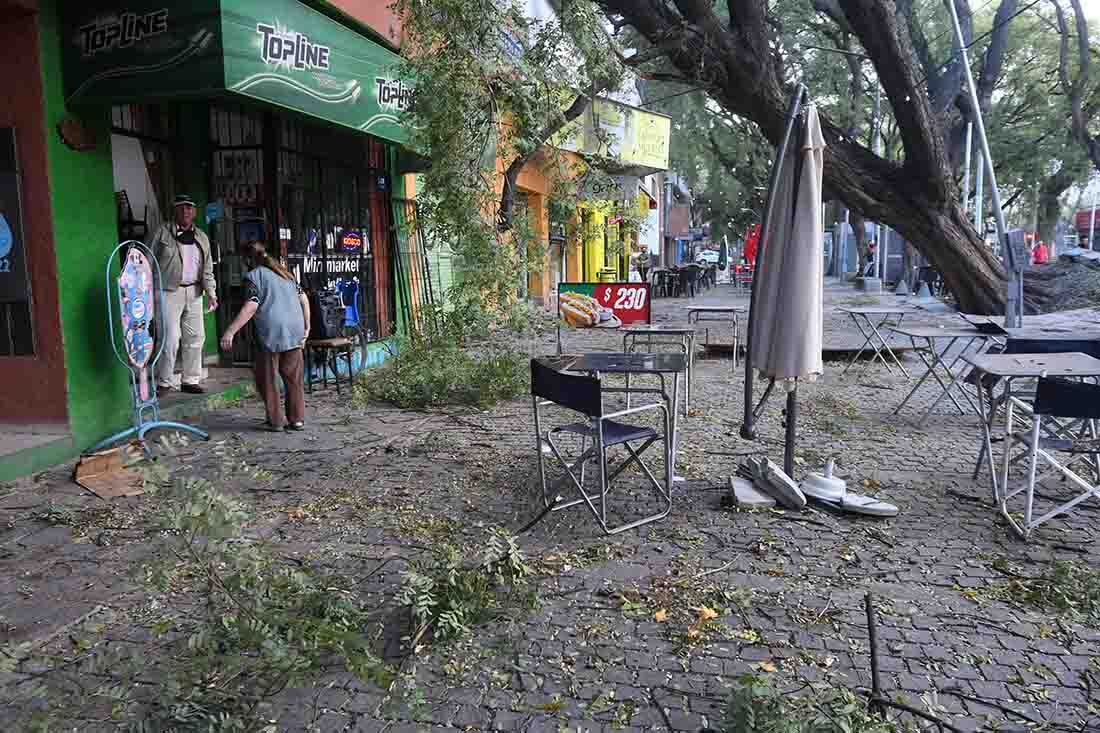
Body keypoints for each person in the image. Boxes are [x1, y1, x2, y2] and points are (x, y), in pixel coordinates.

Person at [220, 241, 310, 431]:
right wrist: (307, 327)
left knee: (267, 378)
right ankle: (297, 419)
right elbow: (304, 299)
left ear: (247, 260)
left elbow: (252, 305)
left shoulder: (253, 276)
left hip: (272, 332)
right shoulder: (287, 275)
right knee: (294, 377)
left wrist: (230, 332)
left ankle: (276, 421)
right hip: (295, 329)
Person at [148, 194, 217, 394]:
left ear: (194, 212)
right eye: (182, 208)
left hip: (195, 290)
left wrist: (211, 292)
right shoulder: (161, 233)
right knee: (170, 337)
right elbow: (147, 260)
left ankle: (190, 380)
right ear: (175, 211)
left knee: (196, 336)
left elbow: (207, 269)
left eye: (190, 208)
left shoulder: (202, 237)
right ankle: (164, 381)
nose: (186, 211)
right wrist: (148, 292)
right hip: (169, 290)